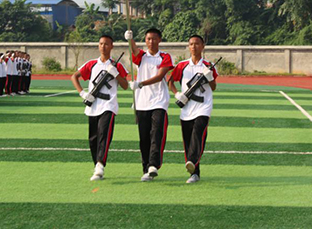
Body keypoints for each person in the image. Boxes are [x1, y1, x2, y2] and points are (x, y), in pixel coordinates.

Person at [71, 34, 129, 181]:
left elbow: (125, 85)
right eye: (101, 44)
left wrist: (115, 74)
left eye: (107, 44)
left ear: (112, 46)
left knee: (104, 134)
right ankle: (96, 164)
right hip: (93, 106)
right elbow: (74, 77)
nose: (103, 47)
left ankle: (100, 164)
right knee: (93, 138)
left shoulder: (117, 65)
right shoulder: (91, 64)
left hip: (108, 105)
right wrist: (82, 93)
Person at [124, 28, 174, 182]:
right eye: (148, 39)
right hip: (142, 102)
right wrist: (130, 39)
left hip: (159, 101)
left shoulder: (165, 57)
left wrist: (140, 83)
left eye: (154, 38)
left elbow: (160, 77)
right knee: (144, 137)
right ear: (145, 41)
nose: (151, 42)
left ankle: (153, 164)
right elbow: (134, 50)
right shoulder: (142, 56)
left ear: (159, 40)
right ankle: (146, 169)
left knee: (156, 132)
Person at [168, 35, 218, 184]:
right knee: (189, 141)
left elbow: (214, 87)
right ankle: (194, 172)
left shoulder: (209, 65)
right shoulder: (182, 66)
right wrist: (177, 94)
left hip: (203, 107)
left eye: (197, 44)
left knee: (198, 133)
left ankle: (192, 161)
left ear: (203, 46)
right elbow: (170, 82)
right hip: (187, 109)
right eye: (191, 44)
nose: (194, 46)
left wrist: (209, 77)